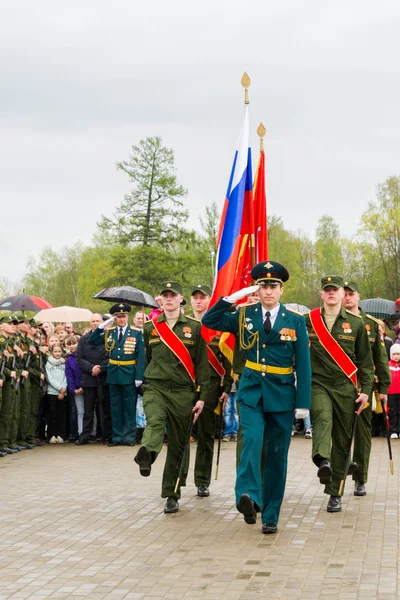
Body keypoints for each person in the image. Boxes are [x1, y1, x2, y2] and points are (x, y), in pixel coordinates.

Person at [202, 261, 311, 534]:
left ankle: (271, 514)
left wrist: (304, 403)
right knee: (250, 440)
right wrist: (234, 297)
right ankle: (248, 496)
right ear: (257, 289)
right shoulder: (243, 315)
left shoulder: (295, 320)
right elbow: (209, 320)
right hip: (251, 390)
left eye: (273, 286)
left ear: (281, 290)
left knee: (277, 455)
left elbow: (304, 364)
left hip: (283, 393)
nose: (268, 291)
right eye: (263, 286)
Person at [134, 281, 209, 514]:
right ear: (160, 300)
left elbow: (202, 365)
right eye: (165, 295)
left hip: (183, 392)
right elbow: (148, 357)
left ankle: (171, 493)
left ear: (180, 299)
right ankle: (148, 453)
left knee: (179, 444)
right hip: (156, 386)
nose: (168, 299)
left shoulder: (195, 328)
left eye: (173, 295)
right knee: (155, 421)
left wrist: (202, 396)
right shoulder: (150, 328)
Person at [305, 276, 374, 514]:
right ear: (322, 295)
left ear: (343, 293)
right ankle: (322, 460)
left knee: (343, 442)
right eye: (327, 290)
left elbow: (366, 362)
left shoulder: (355, 324)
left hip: (346, 388)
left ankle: (335, 494)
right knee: (322, 418)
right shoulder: (307, 321)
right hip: (318, 383)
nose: (331, 293)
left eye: (335, 290)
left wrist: (366, 392)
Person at [343, 281, 391, 496]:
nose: (347, 298)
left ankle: (360, 478)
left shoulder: (372, 325)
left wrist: (384, 387)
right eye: (344, 294)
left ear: (358, 296)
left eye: (351, 294)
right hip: (340, 383)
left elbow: (380, 359)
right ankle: (340, 473)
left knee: (362, 434)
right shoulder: (332, 321)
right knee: (341, 432)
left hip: (364, 385)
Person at [189, 283, 233, 497]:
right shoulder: (184, 326)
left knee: (206, 436)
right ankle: (177, 479)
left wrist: (226, 387)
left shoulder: (218, 326)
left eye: (202, 297)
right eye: (195, 297)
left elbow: (228, 359)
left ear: (209, 300)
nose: (198, 301)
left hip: (212, 388)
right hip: (186, 385)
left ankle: (202, 480)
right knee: (181, 436)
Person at [89, 304, 145, 446]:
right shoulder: (109, 332)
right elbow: (92, 341)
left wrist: (139, 377)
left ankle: (129, 436)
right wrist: (101, 327)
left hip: (129, 374)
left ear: (128, 317)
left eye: (124, 316)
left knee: (129, 408)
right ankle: (117, 436)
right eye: (118, 317)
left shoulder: (136, 333)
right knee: (115, 408)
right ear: (115, 318)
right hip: (113, 374)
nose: (121, 319)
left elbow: (141, 356)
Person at [75, 313, 110, 445]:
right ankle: (85, 435)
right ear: (90, 323)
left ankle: (108, 434)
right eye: (93, 321)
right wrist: (91, 368)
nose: (95, 323)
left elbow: (112, 356)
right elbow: (79, 357)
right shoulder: (84, 339)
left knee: (107, 409)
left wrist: (101, 367)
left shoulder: (108, 337)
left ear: (103, 322)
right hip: (89, 378)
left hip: (104, 376)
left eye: (98, 321)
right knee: (88, 410)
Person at [45, 343, 67, 443]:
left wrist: (63, 388)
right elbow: (49, 378)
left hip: (63, 392)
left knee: (61, 414)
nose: (57, 354)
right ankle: (52, 435)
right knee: (52, 414)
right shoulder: (48, 363)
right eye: (55, 351)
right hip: (52, 392)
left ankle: (60, 435)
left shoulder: (64, 363)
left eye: (59, 351)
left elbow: (67, 376)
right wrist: (59, 388)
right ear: (51, 352)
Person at [65, 335, 83, 440]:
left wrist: (84, 386)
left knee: (90, 411)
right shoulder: (69, 360)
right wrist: (74, 389)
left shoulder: (84, 356)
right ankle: (81, 432)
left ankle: (92, 432)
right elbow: (69, 376)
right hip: (76, 389)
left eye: (74, 343)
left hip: (87, 386)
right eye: (69, 344)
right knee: (80, 411)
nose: (72, 346)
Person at [387, 344, 400, 438]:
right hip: (391, 392)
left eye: (398, 354)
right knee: (392, 411)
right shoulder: (388, 365)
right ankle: (393, 430)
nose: (396, 356)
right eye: (394, 354)